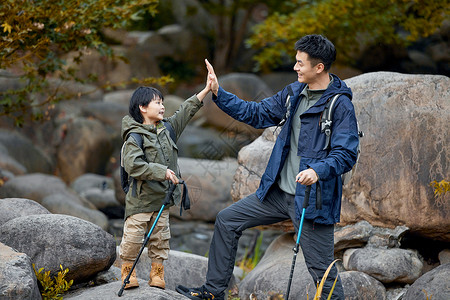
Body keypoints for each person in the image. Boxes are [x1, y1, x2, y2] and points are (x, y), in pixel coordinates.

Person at [176, 34, 359, 299]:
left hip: (311, 201)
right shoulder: (294, 92)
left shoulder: (339, 105)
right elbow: (256, 113)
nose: (295, 67)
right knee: (227, 220)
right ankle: (214, 292)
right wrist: (218, 92)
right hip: (277, 193)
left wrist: (317, 171)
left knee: (322, 270)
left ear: (319, 67)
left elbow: (346, 154)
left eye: (300, 63)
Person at [119, 79, 211, 290]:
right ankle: (127, 272)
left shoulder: (167, 129)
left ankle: (157, 273)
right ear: (142, 108)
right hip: (140, 201)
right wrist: (162, 172)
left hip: (163, 199)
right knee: (132, 239)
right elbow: (134, 166)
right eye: (157, 102)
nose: (162, 106)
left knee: (160, 240)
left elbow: (185, 112)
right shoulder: (134, 137)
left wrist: (205, 90)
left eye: (162, 102)